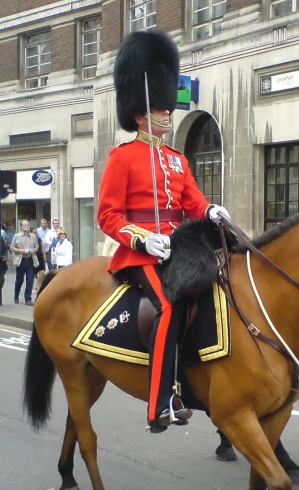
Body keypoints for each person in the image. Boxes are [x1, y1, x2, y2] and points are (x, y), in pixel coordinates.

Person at [98, 30, 231, 433]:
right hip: (140, 254)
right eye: (160, 109)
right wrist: (141, 237)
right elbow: (107, 215)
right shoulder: (122, 158)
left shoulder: (175, 159)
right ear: (140, 114)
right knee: (168, 307)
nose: (168, 115)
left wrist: (210, 210)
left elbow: (191, 201)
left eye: (168, 108)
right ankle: (158, 405)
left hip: (178, 248)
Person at [10, 219, 40, 306]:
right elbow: (12, 248)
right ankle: (16, 295)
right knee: (19, 279)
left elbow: (37, 247)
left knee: (30, 280)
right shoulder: (17, 236)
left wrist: (33, 250)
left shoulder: (33, 237)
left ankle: (28, 299)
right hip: (21, 259)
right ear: (21, 227)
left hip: (30, 259)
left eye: (28, 225)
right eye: (25, 225)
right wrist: (22, 250)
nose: (27, 227)